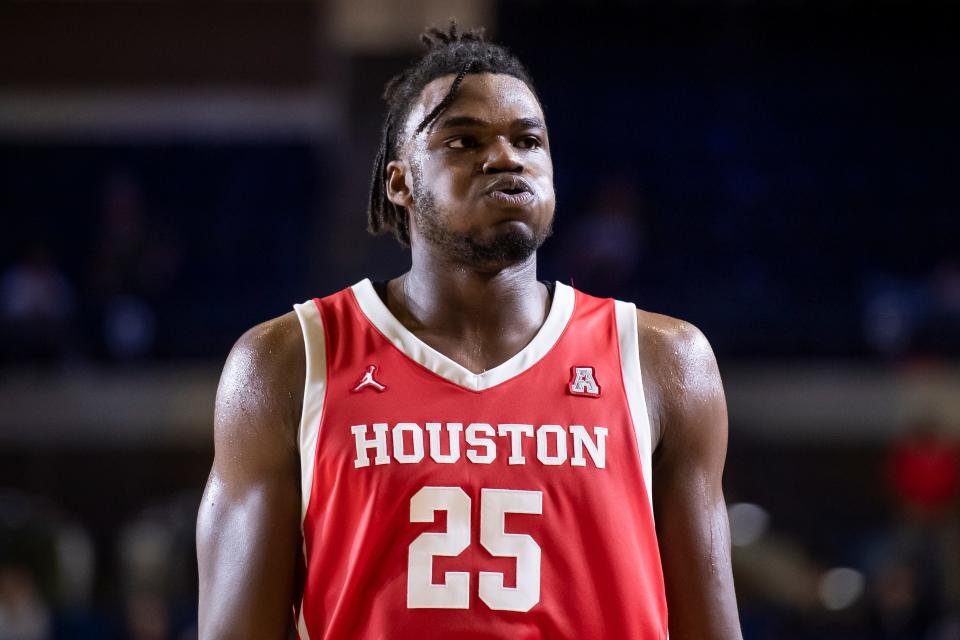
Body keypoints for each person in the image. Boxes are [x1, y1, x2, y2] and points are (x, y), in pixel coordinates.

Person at [197, 24, 742, 640]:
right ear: (399, 182)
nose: (506, 157)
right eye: (463, 140)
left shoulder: (663, 360)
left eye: (528, 140)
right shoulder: (288, 361)